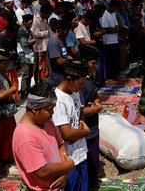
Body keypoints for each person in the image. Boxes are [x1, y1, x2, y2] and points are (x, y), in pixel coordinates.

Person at [12, 83, 74, 190]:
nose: (53, 113)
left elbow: (60, 144)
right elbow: (42, 171)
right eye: (49, 110)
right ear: (35, 109)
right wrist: (69, 166)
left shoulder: (47, 122)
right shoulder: (25, 137)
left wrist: (63, 173)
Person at [53, 59, 91, 191]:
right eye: (80, 83)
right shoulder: (58, 101)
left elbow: (81, 112)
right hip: (69, 158)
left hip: (81, 152)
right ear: (69, 79)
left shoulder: (75, 92)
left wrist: (79, 130)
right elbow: (67, 134)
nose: (82, 86)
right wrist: (84, 132)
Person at [77, 45, 103, 188]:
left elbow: (95, 93)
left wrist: (97, 101)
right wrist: (96, 108)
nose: (95, 66)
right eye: (93, 63)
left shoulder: (89, 77)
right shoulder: (80, 82)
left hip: (93, 127)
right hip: (86, 129)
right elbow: (81, 111)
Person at [0, 48, 19, 165]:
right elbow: (0, 95)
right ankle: (0, 159)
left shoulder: (1, 73)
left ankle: (8, 156)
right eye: (4, 63)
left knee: (9, 135)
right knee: (1, 137)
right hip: (0, 111)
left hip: (8, 110)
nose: (6, 66)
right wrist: (13, 89)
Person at [47, 17, 71, 87]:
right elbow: (59, 61)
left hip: (64, 74)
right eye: (66, 31)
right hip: (57, 78)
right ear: (60, 30)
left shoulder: (62, 39)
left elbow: (65, 55)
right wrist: (70, 61)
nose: (67, 34)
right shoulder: (53, 42)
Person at [100, 0, 120, 79]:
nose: (115, 9)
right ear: (111, 5)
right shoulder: (104, 14)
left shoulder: (114, 13)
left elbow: (116, 26)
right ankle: (109, 76)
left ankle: (114, 75)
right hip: (107, 42)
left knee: (115, 60)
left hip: (115, 40)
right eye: (114, 7)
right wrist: (114, 30)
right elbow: (104, 28)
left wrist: (114, 29)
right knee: (109, 61)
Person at [32, 2, 52, 83]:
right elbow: (36, 34)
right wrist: (47, 33)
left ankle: (43, 81)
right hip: (38, 47)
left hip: (45, 46)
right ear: (43, 12)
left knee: (44, 67)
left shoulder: (44, 20)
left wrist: (46, 32)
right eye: (48, 14)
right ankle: (37, 83)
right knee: (38, 67)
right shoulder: (35, 20)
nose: (48, 16)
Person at [18, 14, 36, 99]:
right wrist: (34, 40)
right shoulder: (21, 31)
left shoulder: (29, 31)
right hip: (24, 56)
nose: (31, 24)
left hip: (30, 55)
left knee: (29, 75)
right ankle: (24, 93)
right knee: (25, 75)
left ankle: (28, 91)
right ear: (24, 22)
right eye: (30, 23)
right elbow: (25, 43)